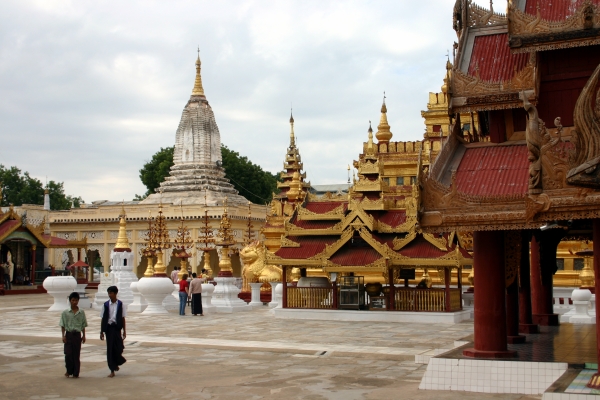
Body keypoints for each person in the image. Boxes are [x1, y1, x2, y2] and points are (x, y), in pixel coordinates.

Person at [100, 286, 127, 378]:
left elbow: (123, 318)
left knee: (119, 347)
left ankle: (116, 362)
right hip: (109, 328)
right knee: (110, 348)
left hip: (117, 328)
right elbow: (103, 318)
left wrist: (124, 330)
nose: (110, 295)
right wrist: (102, 331)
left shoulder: (120, 304)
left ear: (115, 294)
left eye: (111, 293)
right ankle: (112, 368)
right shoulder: (106, 305)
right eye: (109, 293)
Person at [59, 292, 87, 378]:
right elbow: (63, 325)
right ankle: (69, 370)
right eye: (73, 300)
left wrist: (84, 335)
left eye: (76, 300)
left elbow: (83, 325)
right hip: (69, 334)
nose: (74, 302)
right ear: (70, 301)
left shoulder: (81, 312)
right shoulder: (65, 312)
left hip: (77, 335)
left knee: (76, 354)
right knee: (68, 354)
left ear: (78, 301)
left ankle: (75, 372)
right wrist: (63, 336)